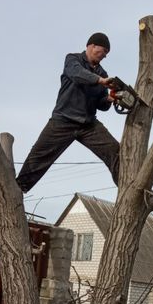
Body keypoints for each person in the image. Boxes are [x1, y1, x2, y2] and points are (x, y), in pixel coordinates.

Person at [16, 32, 119, 193]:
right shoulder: (73, 59)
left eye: (107, 53)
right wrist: (100, 81)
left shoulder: (103, 74)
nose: (105, 55)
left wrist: (110, 99)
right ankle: (17, 189)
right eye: (104, 50)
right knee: (38, 157)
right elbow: (78, 75)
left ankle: (128, 187)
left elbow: (101, 105)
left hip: (88, 125)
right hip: (63, 120)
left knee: (115, 151)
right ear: (91, 46)